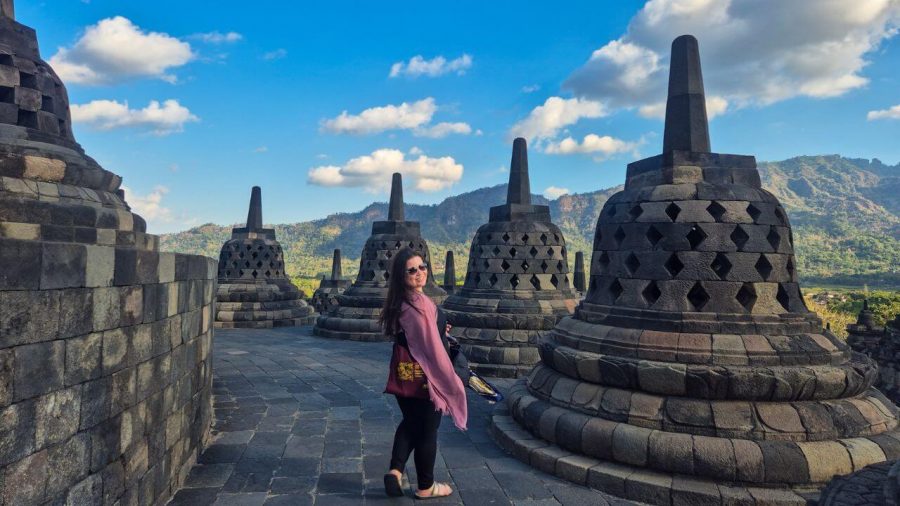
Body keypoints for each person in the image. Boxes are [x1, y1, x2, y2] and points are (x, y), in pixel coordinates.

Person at [380, 248, 468, 499]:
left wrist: (440, 326)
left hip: (404, 375)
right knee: (428, 430)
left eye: (422, 267)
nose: (419, 273)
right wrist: (449, 381)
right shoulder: (417, 306)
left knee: (410, 423)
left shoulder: (402, 302)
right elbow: (431, 349)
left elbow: (424, 333)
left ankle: (395, 471)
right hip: (424, 378)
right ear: (401, 275)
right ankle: (426, 487)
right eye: (411, 270)